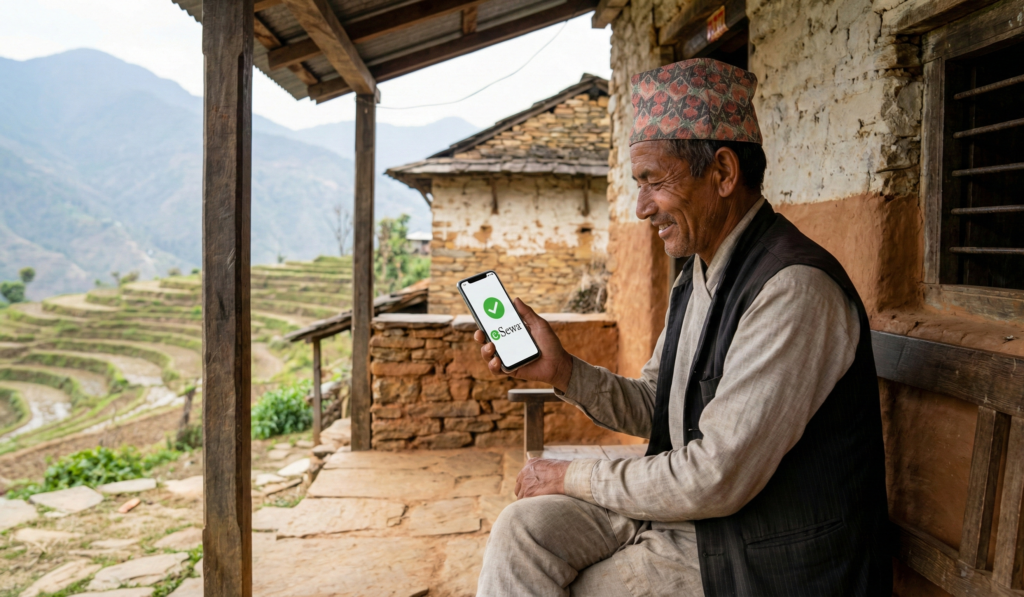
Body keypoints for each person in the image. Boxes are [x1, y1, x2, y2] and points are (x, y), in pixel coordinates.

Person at [473, 58, 891, 596]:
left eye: (654, 182)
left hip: (763, 551)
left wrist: (570, 476)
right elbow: (657, 405)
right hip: (692, 520)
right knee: (523, 531)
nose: (643, 207)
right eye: (638, 185)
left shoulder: (793, 290)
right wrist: (565, 372)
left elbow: (714, 478)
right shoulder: (697, 274)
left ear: (721, 173)